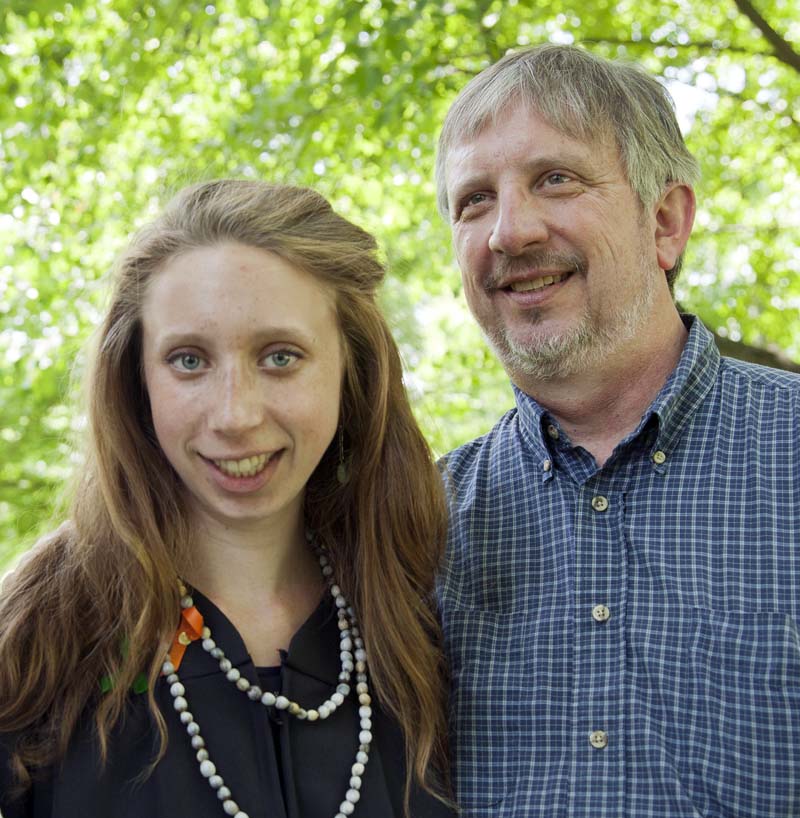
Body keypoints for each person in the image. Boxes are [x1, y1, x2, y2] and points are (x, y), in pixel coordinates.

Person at [0, 180, 455, 818]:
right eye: (188, 361)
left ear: (352, 369)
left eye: (280, 357)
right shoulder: (34, 643)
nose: (234, 414)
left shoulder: (435, 616)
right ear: (137, 380)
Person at [435, 44, 800, 817]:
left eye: (554, 179)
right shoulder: (414, 523)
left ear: (665, 221)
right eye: (473, 200)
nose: (509, 231)